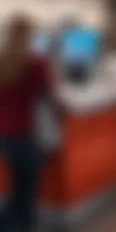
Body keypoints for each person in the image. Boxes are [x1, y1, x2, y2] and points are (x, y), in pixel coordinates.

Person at [0, 14, 62, 232]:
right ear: (29, 36)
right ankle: (24, 225)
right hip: (28, 134)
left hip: (5, 135)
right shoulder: (36, 62)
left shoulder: (2, 59)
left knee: (16, 184)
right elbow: (51, 95)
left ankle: (11, 223)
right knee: (28, 189)